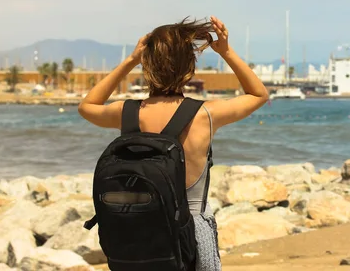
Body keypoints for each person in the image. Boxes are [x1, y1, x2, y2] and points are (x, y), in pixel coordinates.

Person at [78, 16, 269, 270]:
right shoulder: (205, 115)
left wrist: (130, 60)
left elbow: (86, 106)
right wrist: (226, 52)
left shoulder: (126, 112)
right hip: (189, 237)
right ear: (189, 71)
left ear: (146, 67)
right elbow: (258, 94)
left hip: (136, 235)